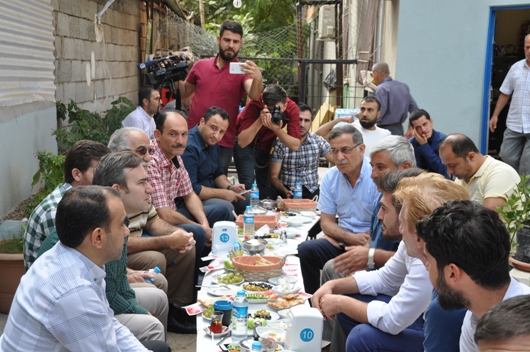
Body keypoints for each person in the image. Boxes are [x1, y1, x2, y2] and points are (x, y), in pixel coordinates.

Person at [0, 186, 171, 352]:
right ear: (98, 237)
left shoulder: (73, 256)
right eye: (121, 225)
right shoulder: (73, 292)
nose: (127, 231)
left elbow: (109, 323)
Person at [313, 169, 432, 352]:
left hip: (433, 335)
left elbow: (393, 320)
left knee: (362, 336)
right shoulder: (411, 237)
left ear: (404, 212)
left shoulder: (422, 250)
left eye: (384, 208)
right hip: (421, 318)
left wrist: (339, 303)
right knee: (350, 304)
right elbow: (385, 278)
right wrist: (335, 286)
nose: (379, 216)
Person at [319, 135, 415, 345]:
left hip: (410, 308)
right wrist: (336, 287)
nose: (372, 174)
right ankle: (325, 341)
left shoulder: (417, 220)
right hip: (384, 275)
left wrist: (370, 256)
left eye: (380, 167)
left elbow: (395, 313)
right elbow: (387, 274)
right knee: (330, 271)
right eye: (372, 166)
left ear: (404, 167)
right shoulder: (389, 197)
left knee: (351, 315)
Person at [416, 200, 530, 352]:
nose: (426, 267)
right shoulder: (474, 317)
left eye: (428, 260)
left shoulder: (522, 335)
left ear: (452, 273)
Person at [148, 110, 233, 277]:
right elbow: (163, 213)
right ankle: (194, 283)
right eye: (173, 134)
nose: (180, 141)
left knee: (223, 211)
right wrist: (199, 227)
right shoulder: (152, 160)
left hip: (173, 210)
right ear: (158, 135)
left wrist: (204, 223)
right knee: (199, 232)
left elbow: (190, 194)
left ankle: (211, 269)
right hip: (155, 221)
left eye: (184, 134)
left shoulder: (175, 154)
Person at [297, 125, 379, 294]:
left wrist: (363, 245)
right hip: (342, 241)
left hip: (371, 245)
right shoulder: (330, 177)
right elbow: (326, 223)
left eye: (345, 150)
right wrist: (348, 238)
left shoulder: (376, 177)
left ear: (361, 149)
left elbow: (385, 226)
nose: (339, 157)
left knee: (335, 267)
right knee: (306, 250)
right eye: (334, 151)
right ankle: (313, 303)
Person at [394, 173, 470, 352]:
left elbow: (394, 319)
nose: (400, 230)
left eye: (402, 224)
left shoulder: (445, 303)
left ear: (419, 238)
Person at [179, 20, 263, 174]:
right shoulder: (200, 65)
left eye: (235, 41)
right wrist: (175, 74)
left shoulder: (241, 71)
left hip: (221, 142)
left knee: (216, 185)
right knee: (186, 183)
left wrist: (258, 78)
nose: (231, 45)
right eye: (227, 40)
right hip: (193, 137)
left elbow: (254, 94)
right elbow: (184, 92)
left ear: (240, 44)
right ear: (219, 40)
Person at [23, 140, 110, 270]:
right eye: (98, 172)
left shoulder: (78, 201)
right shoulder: (57, 211)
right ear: (77, 174)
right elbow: (73, 264)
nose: (105, 179)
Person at [181, 106, 249, 215]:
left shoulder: (213, 142)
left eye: (222, 132)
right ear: (202, 122)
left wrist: (230, 187)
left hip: (210, 193)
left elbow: (218, 174)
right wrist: (223, 193)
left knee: (246, 199)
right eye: (213, 128)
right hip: (192, 199)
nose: (216, 135)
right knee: (226, 207)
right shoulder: (189, 146)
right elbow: (193, 189)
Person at [235, 84, 301, 189]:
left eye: (277, 110)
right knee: (248, 182)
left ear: (285, 106)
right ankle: (247, 204)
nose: (273, 114)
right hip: (247, 142)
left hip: (266, 145)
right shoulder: (254, 104)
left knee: (266, 185)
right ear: (263, 104)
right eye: (270, 110)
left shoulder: (292, 108)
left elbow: (295, 146)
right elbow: (241, 142)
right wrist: (259, 121)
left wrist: (277, 130)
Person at [265, 103, 333, 199]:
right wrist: (285, 191)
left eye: (306, 120)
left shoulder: (318, 141)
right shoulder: (281, 144)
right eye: (299, 119)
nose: (302, 124)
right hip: (288, 192)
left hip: (312, 192)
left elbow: (336, 160)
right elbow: (273, 176)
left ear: (311, 122)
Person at [438, 133, 519, 210]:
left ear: (471, 157)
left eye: (452, 165)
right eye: (446, 166)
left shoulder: (500, 174)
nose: (449, 171)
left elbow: (487, 219)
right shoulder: (462, 177)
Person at [489, 33, 530, 175]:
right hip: (515, 122)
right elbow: (505, 93)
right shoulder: (516, 68)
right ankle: (516, 182)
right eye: (527, 47)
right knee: (506, 156)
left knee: (527, 163)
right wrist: (495, 115)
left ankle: (524, 195)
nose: (529, 50)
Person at [315, 96, 391, 157]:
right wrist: (338, 120)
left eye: (370, 110)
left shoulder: (385, 135)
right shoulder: (350, 129)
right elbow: (317, 136)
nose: (364, 114)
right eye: (362, 109)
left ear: (378, 114)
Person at [372, 62, 418, 137]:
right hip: (399, 129)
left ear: (375, 74)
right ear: (389, 73)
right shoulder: (403, 86)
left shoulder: (381, 89)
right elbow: (415, 110)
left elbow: (378, 114)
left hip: (383, 130)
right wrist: (411, 126)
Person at [408, 109, 449, 178]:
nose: (423, 130)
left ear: (431, 122)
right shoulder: (410, 144)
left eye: (425, 124)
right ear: (413, 129)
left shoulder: (444, 140)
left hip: (441, 183)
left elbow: (442, 170)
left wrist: (424, 146)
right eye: (418, 127)